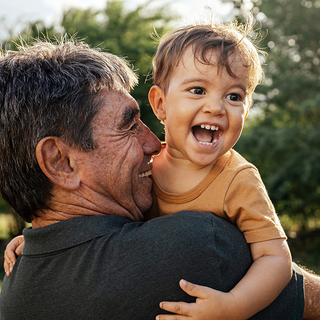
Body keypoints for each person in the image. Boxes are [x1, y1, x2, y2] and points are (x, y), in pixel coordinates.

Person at [0, 38, 318, 320]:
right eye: (128, 126)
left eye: (235, 97)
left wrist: (39, 237)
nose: (153, 144)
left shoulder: (13, 292)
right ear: (61, 163)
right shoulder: (199, 244)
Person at [145, 19, 307, 319]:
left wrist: (234, 305)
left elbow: (275, 259)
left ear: (245, 110)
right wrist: (40, 236)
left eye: (234, 96)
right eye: (197, 90)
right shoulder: (143, 167)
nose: (217, 107)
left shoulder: (238, 179)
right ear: (160, 104)